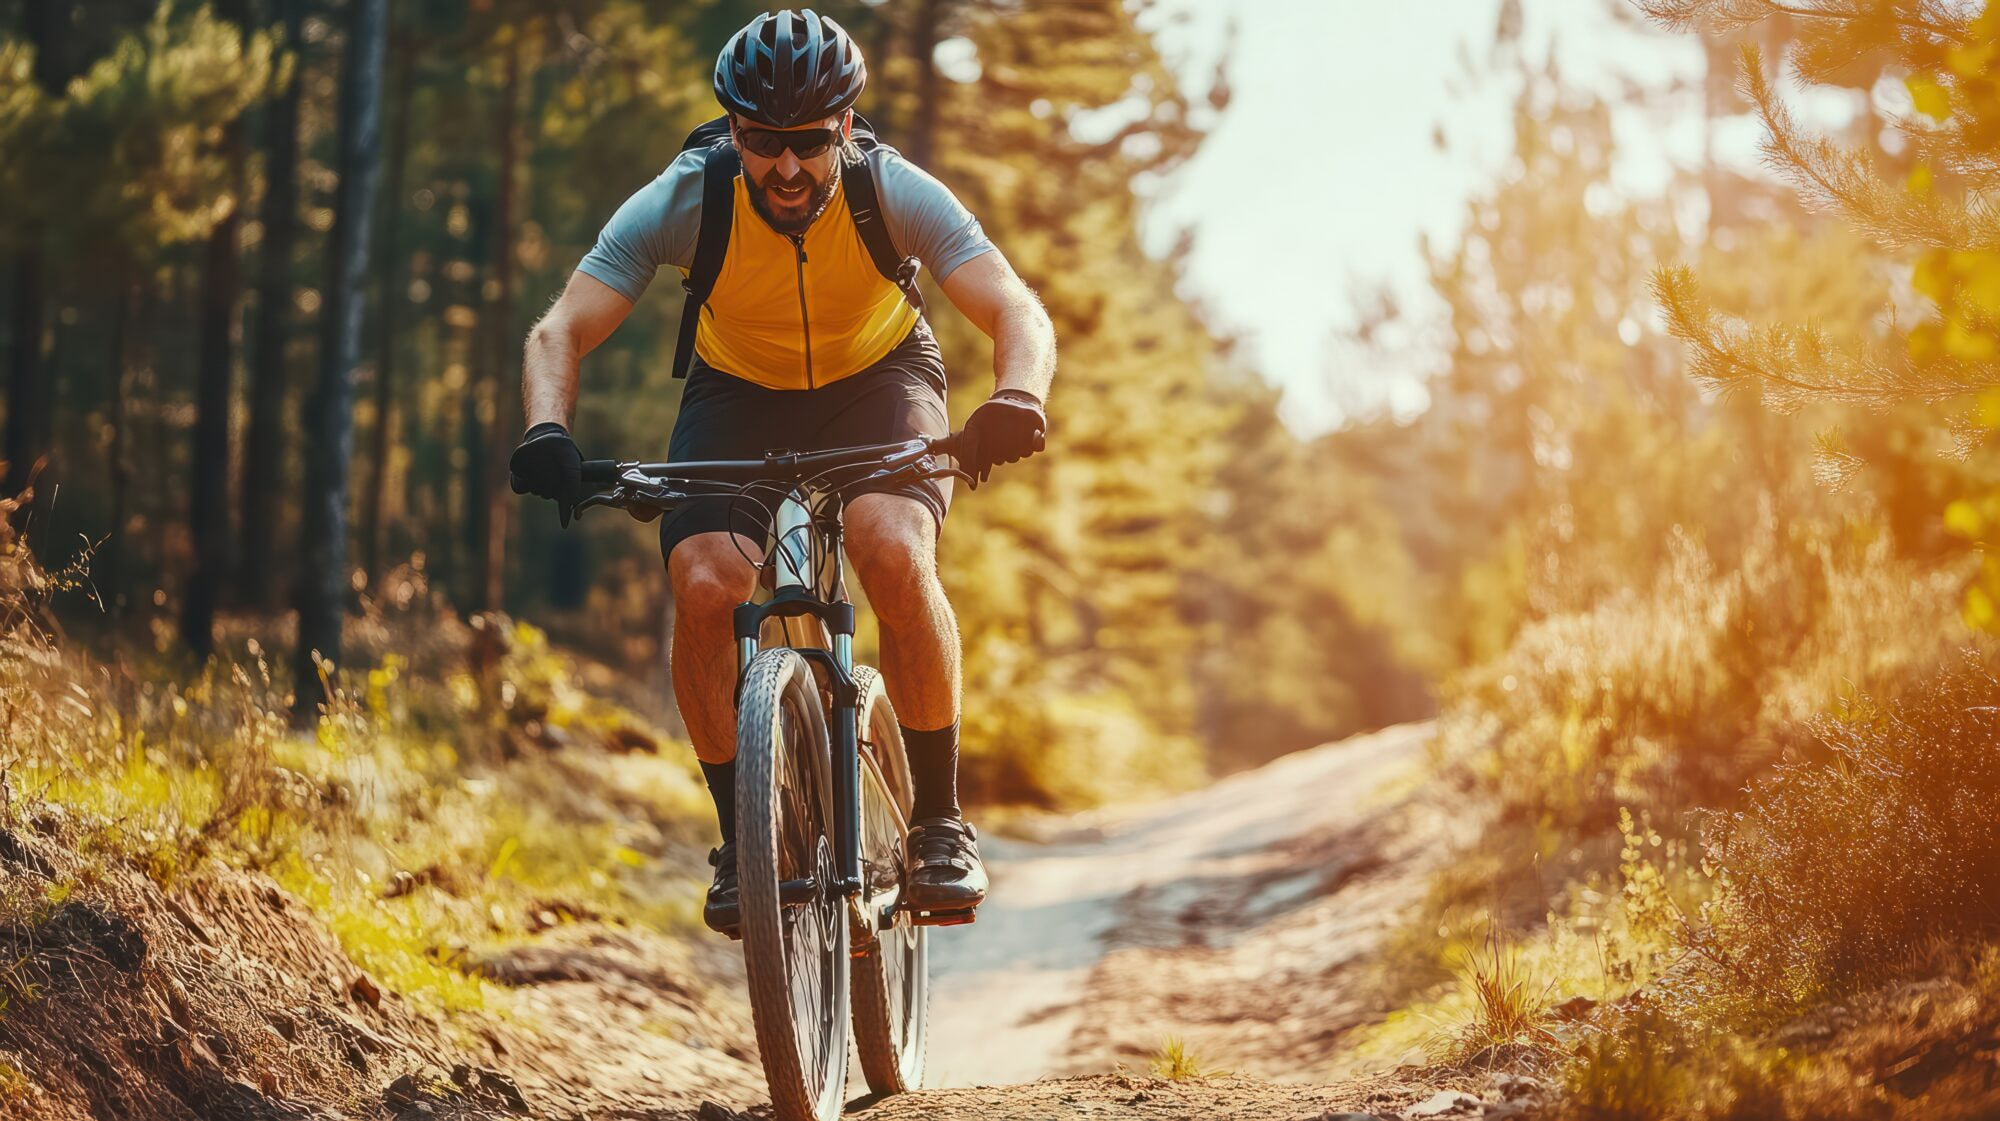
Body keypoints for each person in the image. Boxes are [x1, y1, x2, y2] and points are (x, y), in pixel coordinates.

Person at [508, 9, 1055, 935]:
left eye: (808, 141)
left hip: (882, 377)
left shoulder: (894, 189)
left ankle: (938, 820)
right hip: (739, 391)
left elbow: (1014, 306)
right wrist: (546, 431)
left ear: (845, 127)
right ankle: (741, 842)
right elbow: (560, 327)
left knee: (889, 545)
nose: (787, 167)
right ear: (733, 130)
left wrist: (1018, 398)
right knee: (707, 580)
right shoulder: (686, 198)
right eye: (764, 141)